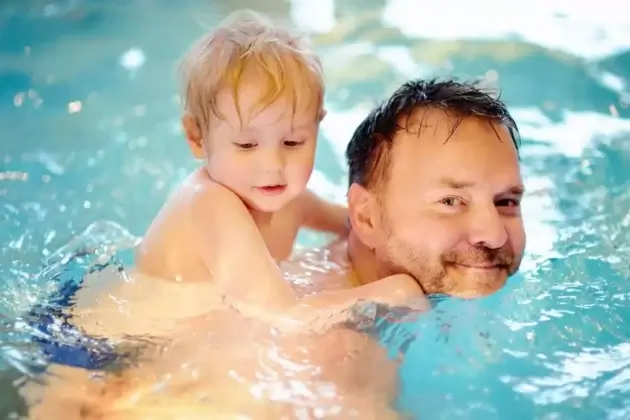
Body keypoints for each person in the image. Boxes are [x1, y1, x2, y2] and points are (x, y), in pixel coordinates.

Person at [23, 79, 527, 419]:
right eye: (450, 201)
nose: (493, 233)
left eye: (506, 201)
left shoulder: (328, 270)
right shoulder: (339, 354)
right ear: (367, 217)